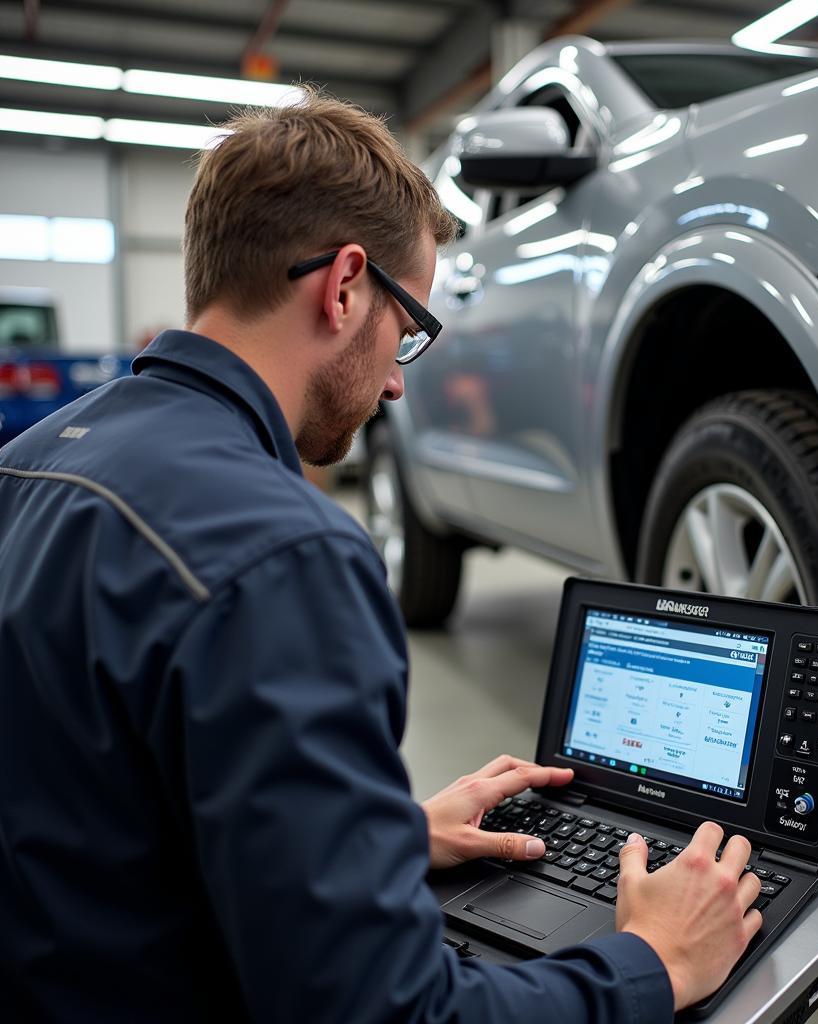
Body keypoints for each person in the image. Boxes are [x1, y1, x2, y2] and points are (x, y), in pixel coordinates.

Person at [0, 91, 761, 1022]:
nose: (399, 379)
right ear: (345, 285)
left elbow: (99, 808)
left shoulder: (24, 466)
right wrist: (652, 960)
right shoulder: (288, 557)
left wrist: (376, 842)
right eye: (408, 332)